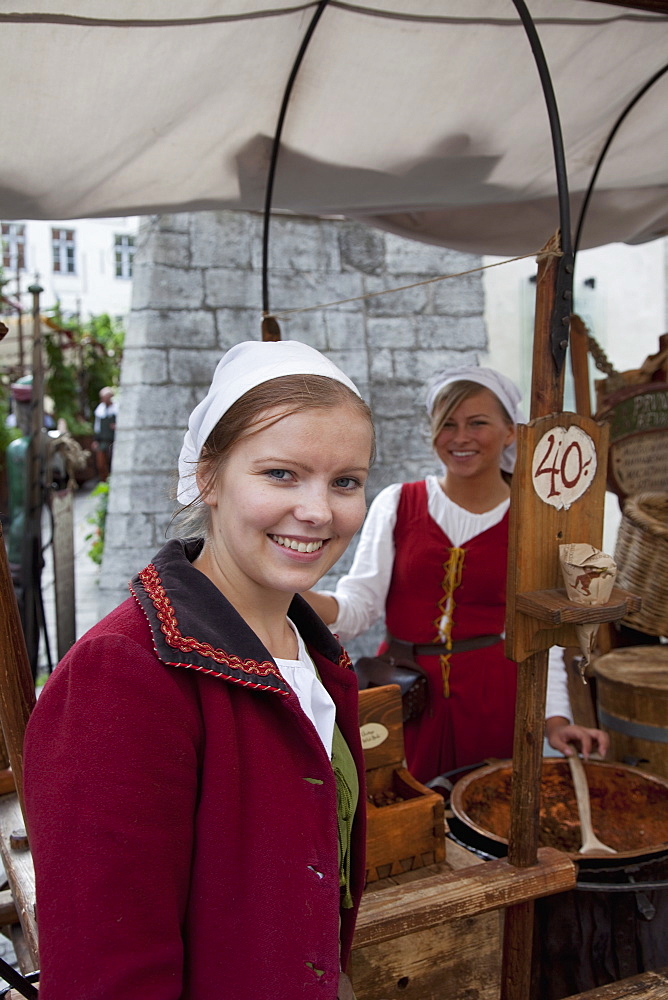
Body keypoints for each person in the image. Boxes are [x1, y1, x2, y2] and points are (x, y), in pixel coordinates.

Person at [23, 340, 374, 1000]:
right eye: (280, 474)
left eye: (345, 481)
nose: (319, 511)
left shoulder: (308, 646)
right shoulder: (122, 676)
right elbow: (107, 975)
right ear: (208, 476)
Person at [305, 366, 608, 787]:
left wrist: (556, 721)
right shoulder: (399, 502)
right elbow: (360, 605)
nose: (460, 437)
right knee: (405, 814)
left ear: (509, 432)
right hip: (405, 691)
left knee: (488, 812)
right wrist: (295, 594)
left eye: (477, 423)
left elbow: (542, 633)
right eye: (447, 424)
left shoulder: (532, 518)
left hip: (495, 695)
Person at [91, 385, 117, 481]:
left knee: (112, 462)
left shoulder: (116, 408)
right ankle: (104, 481)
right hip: (102, 440)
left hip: (114, 440)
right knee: (101, 464)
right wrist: (95, 440)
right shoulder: (100, 410)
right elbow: (97, 426)